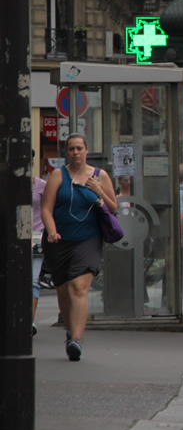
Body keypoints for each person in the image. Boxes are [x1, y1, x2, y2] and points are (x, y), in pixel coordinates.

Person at [40, 133, 117, 361]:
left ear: (86, 150)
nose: (75, 152)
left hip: (88, 239)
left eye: (79, 148)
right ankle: (70, 330)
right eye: (71, 149)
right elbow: (46, 208)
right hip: (59, 240)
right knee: (63, 291)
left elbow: (112, 208)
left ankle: (76, 339)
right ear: (67, 152)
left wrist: (99, 191)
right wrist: (52, 230)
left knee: (78, 288)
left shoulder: (99, 175)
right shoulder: (57, 175)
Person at [31, 154, 48, 337]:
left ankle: (29, 321)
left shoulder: (42, 186)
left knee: (33, 280)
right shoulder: (9, 184)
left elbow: (48, 210)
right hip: (15, 237)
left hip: (37, 236)